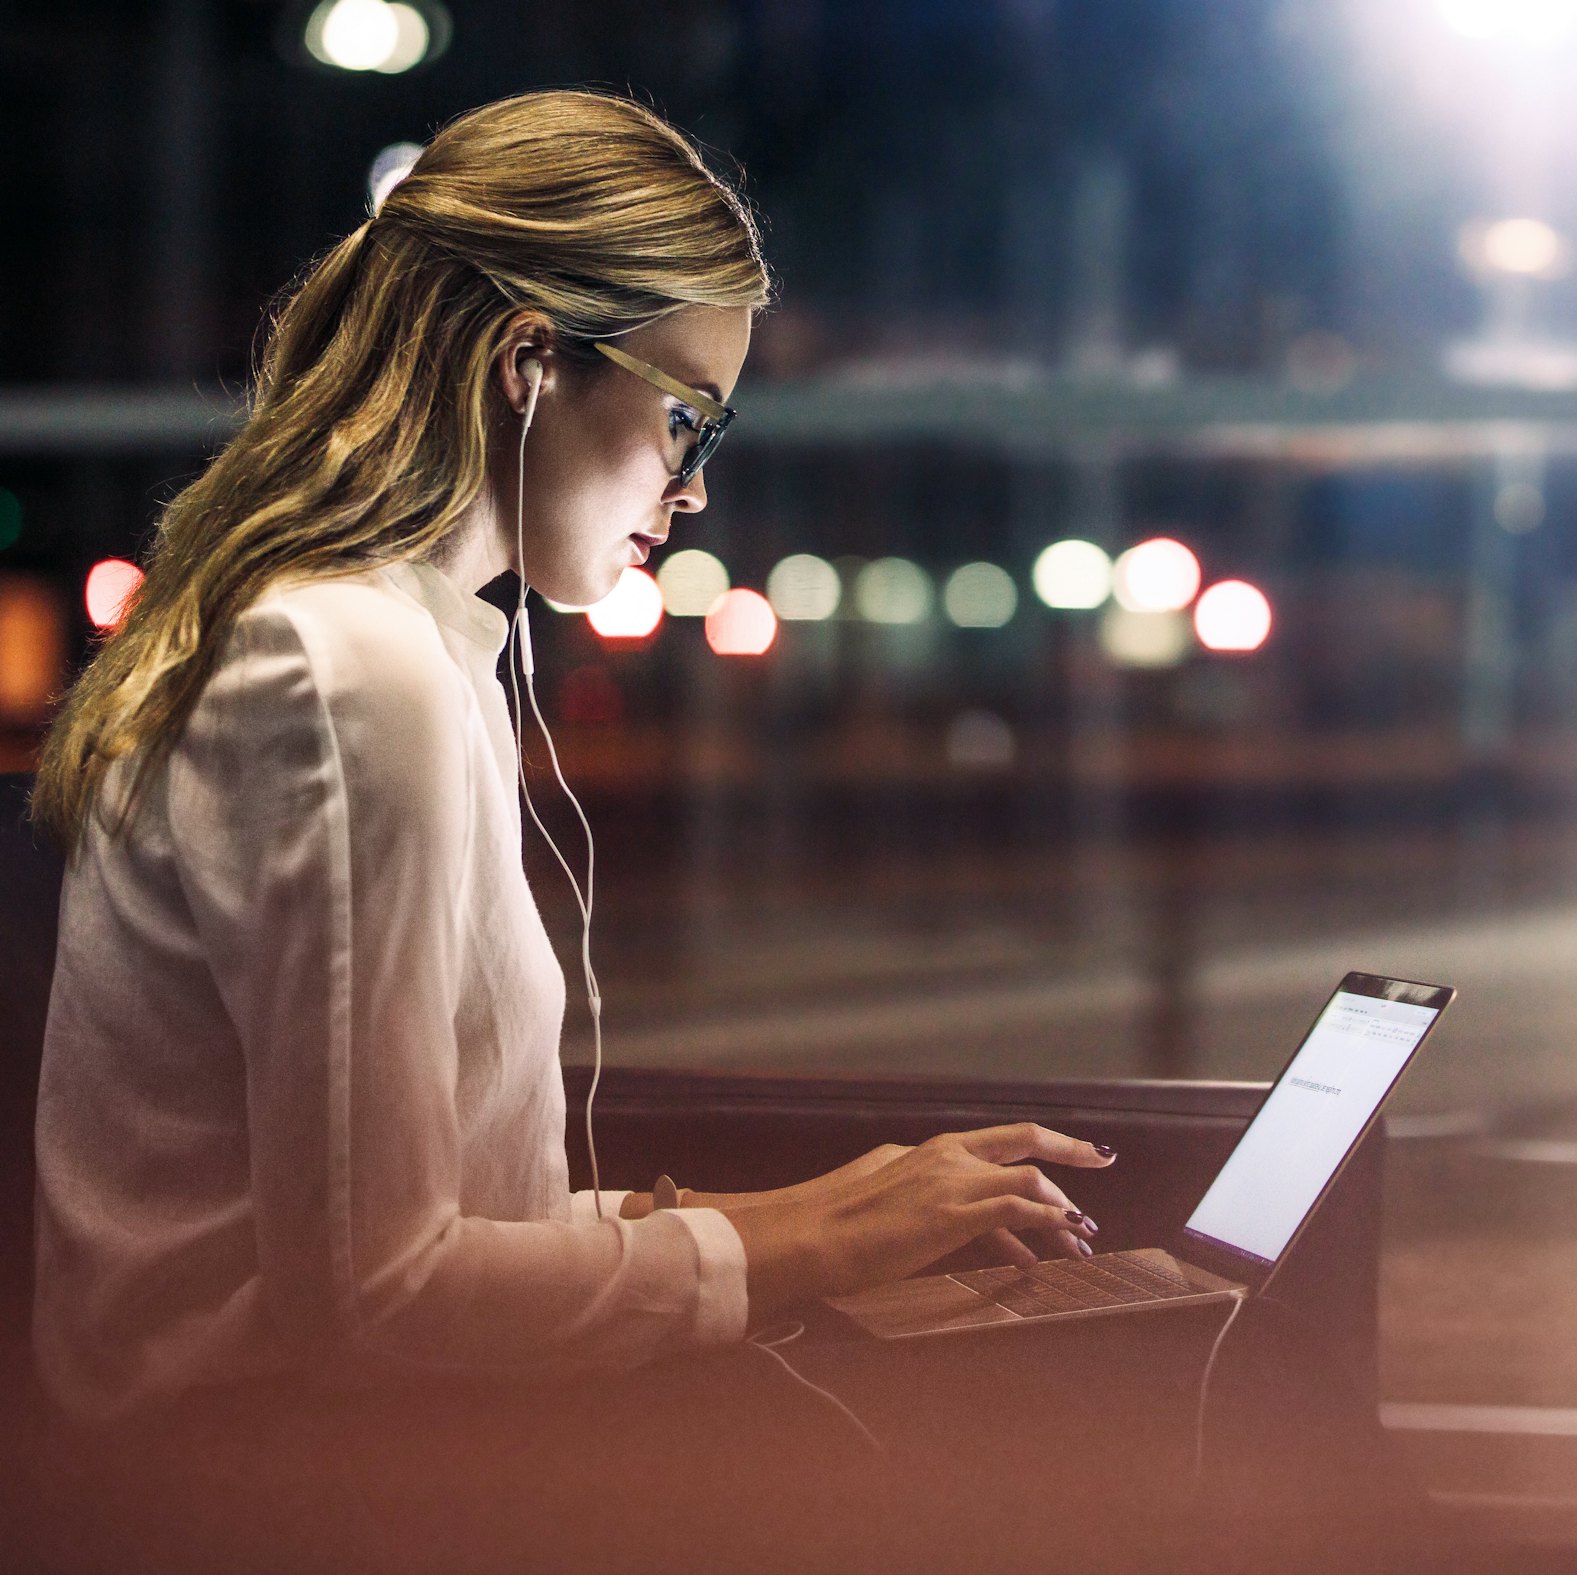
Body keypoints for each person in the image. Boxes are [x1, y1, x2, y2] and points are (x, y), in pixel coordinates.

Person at [23, 90, 1121, 1565]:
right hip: (263, 1491)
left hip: (303, 1457)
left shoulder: (409, 651)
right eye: (686, 416)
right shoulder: (350, 674)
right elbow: (379, 1303)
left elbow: (423, 1225)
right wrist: (811, 1241)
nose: (698, 482)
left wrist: (818, 1207)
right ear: (529, 363)